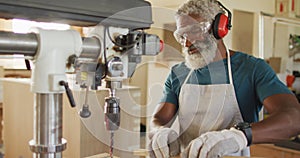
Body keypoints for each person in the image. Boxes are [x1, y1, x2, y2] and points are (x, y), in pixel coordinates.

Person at [148, 0, 300, 157]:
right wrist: (159, 131)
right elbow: (159, 118)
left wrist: (240, 135)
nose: (187, 43)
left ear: (219, 28)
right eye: (182, 35)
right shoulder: (178, 73)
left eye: (195, 31)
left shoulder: (252, 69)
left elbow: (294, 119)